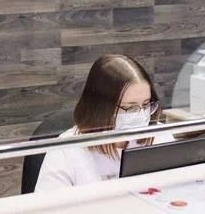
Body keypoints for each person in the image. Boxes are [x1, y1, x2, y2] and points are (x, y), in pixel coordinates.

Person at [35, 54, 171, 190]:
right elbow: (46, 202)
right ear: (102, 108)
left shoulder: (160, 135)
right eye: (130, 108)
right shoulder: (66, 150)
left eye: (146, 104)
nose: (141, 115)